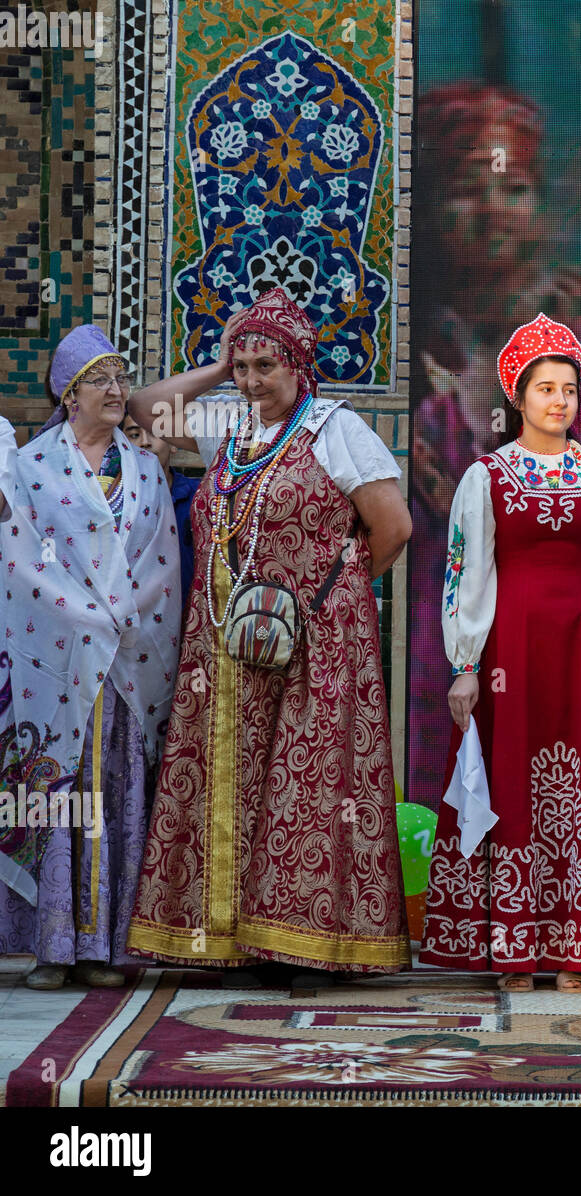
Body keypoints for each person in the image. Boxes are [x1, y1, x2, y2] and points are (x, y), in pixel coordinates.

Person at [126, 287, 412, 980]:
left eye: (265, 366)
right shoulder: (231, 423)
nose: (254, 381)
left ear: (299, 365)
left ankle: (304, 942)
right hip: (227, 646)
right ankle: (227, 936)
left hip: (315, 647)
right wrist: (220, 369)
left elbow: (393, 528)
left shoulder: (337, 431)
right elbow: (144, 409)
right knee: (238, 781)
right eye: (245, 366)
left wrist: (329, 598)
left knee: (303, 787)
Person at [406, 82, 581, 797]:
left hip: (551, 620)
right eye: (465, 191)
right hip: (428, 625)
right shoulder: (400, 346)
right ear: (427, 209)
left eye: (514, 189)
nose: (492, 213)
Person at [420, 314, 581, 993]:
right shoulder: (484, 477)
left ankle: (579, 947)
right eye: (545, 388)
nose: (559, 401)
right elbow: (466, 575)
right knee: (515, 783)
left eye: (570, 390)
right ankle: (514, 948)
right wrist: (465, 667)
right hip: (510, 652)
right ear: (516, 397)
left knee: (579, 787)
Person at [0, 327, 182, 989]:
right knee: (59, 794)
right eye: (100, 380)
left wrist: (124, 618)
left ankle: (106, 948)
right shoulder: (32, 467)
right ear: (69, 393)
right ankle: (54, 945)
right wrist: (79, 614)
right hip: (58, 661)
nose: (116, 390)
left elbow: (162, 562)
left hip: (125, 661)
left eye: (120, 377)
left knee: (114, 795)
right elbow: (19, 562)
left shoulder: (144, 468)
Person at [123, 413, 200, 598]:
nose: (145, 442)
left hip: (191, 614)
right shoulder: (115, 503)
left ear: (174, 442)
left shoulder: (199, 495)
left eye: (154, 433)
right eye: (134, 435)